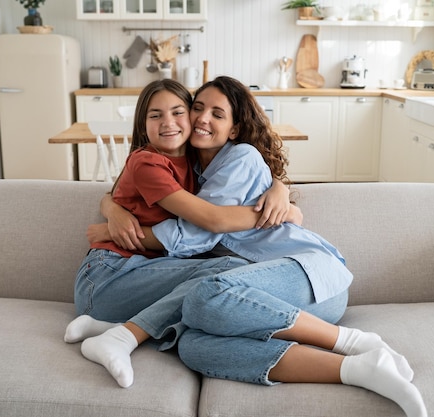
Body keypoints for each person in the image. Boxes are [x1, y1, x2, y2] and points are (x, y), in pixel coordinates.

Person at [79, 76, 427, 417]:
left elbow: (202, 230)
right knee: (193, 346)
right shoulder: (191, 173)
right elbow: (133, 184)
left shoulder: (240, 156)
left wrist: (283, 205)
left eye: (217, 114)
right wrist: (111, 208)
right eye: (198, 108)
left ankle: (351, 342)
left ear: (233, 128)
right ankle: (362, 370)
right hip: (258, 298)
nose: (202, 118)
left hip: (308, 276)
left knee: (206, 294)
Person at [64, 78, 297, 388]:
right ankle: (121, 337)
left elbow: (114, 194)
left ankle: (109, 326)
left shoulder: (194, 163)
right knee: (230, 272)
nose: (168, 122)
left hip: (137, 277)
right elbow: (211, 220)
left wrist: (281, 189)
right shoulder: (148, 162)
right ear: (142, 124)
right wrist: (284, 215)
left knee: (220, 291)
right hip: (108, 276)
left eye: (178, 112)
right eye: (155, 115)